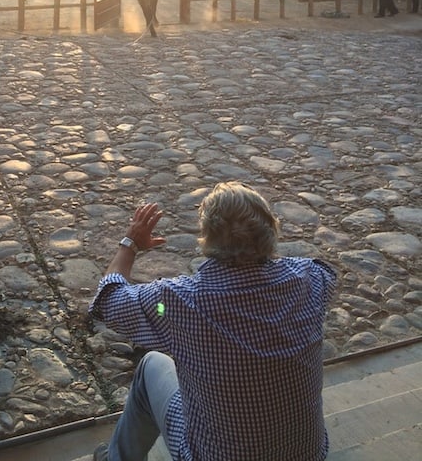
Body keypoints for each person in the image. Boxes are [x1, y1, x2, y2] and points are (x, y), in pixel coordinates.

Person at [89, 181, 337, 461]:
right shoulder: (309, 279)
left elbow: (107, 302)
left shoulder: (181, 301)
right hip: (306, 455)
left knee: (150, 365)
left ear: (207, 236)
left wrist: (131, 243)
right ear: (271, 229)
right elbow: (325, 270)